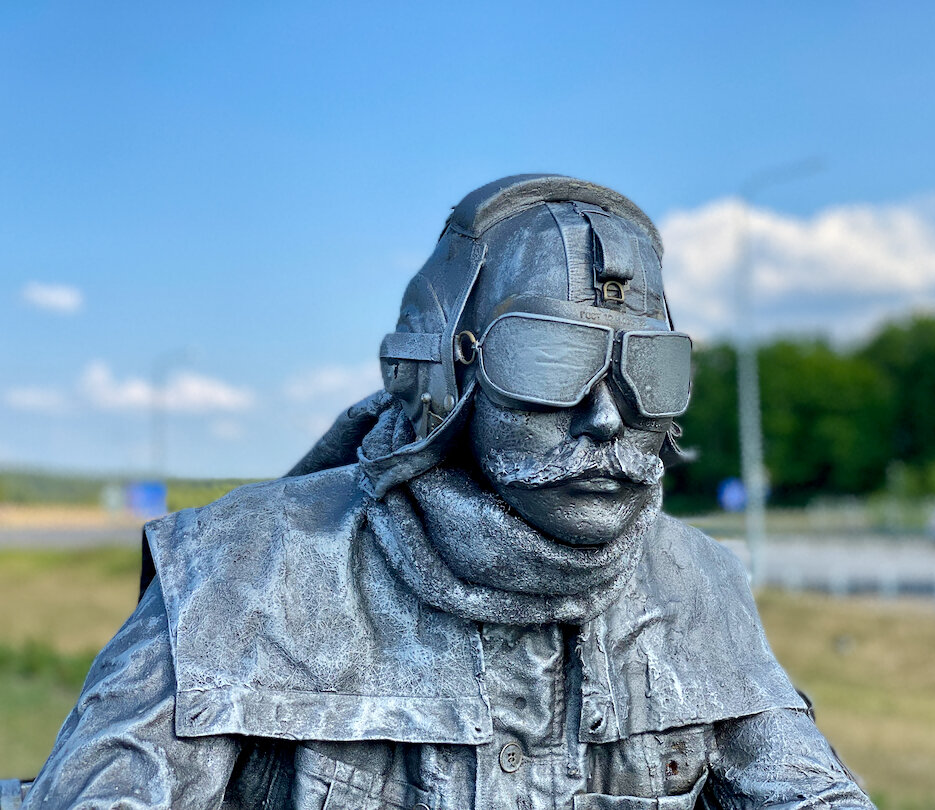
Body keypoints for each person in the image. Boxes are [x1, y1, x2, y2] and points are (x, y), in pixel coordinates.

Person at [21, 176, 875, 809]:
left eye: (650, 369)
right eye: (549, 359)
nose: (607, 417)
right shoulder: (237, 572)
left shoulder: (701, 585)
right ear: (443, 373)